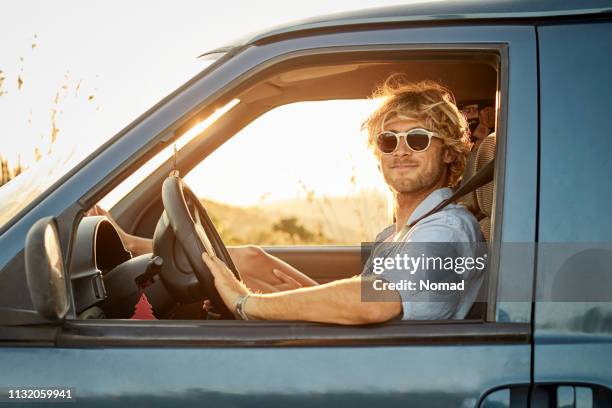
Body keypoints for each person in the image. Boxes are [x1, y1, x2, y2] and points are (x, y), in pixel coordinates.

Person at [93, 76, 485, 324]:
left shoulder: (449, 229)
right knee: (251, 259)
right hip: (366, 356)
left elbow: (374, 304)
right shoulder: (398, 232)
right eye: (388, 140)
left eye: (417, 139)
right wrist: (274, 298)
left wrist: (248, 303)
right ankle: (134, 244)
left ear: (449, 152)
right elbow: (365, 299)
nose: (401, 150)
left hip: (385, 373)